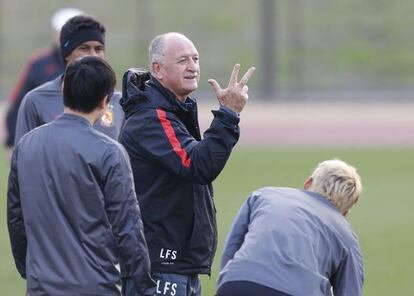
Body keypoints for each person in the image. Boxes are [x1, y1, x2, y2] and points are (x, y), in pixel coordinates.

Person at [118, 32, 255, 296]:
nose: (192, 66)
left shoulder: (172, 111)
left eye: (195, 58)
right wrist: (228, 115)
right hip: (159, 266)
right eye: (183, 60)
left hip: (177, 266)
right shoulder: (152, 118)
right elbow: (198, 165)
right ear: (157, 69)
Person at [7, 56, 156, 295]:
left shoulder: (26, 145)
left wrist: (31, 271)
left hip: (41, 286)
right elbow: (128, 229)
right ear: (106, 100)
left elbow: (16, 218)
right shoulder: (109, 152)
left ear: (64, 89)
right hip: (96, 286)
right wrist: (144, 287)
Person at [216, 159, 364, 296]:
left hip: (237, 282)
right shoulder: (346, 235)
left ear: (309, 183)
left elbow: (232, 248)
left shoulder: (264, 195)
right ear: (345, 212)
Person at [14, 14, 124, 144]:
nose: (93, 55)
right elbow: (23, 156)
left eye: (99, 49)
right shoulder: (36, 100)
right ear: (66, 54)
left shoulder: (119, 101)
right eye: (84, 48)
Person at [4, 7, 83, 149]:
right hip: (41, 144)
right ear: (56, 34)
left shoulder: (95, 66)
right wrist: (12, 141)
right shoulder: (38, 64)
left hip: (81, 143)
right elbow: (18, 102)